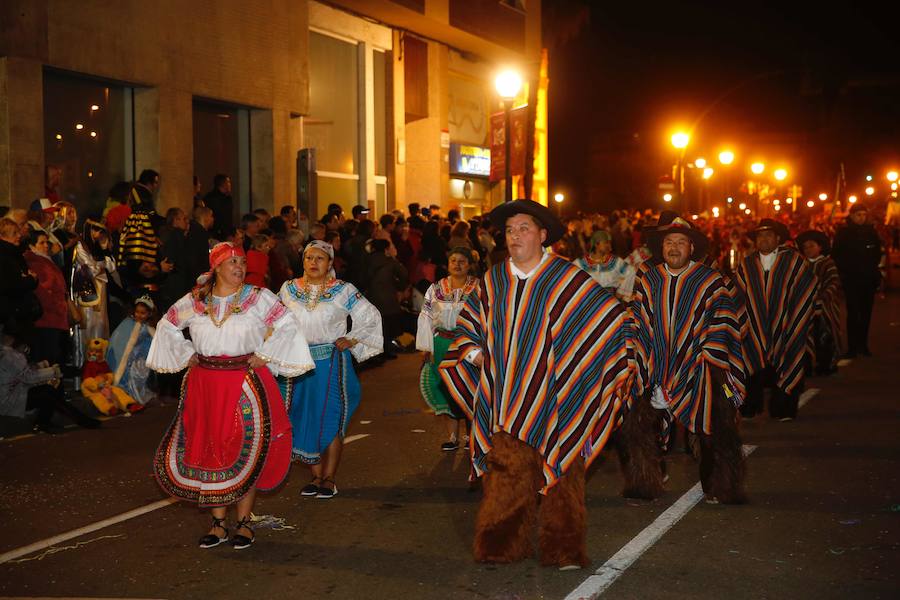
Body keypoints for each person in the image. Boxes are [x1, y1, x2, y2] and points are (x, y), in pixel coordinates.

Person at [439, 200, 631, 569]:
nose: (515, 236)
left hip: (560, 396)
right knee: (507, 469)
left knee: (563, 471)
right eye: (510, 230)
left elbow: (606, 321)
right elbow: (468, 325)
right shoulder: (493, 280)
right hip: (506, 394)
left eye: (524, 228)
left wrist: (601, 361)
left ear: (543, 235)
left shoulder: (567, 277)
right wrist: (477, 355)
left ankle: (563, 549)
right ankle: (502, 543)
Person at [147, 242, 313, 549]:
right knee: (211, 446)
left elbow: (287, 324)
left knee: (243, 447)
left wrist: (266, 353)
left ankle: (245, 522)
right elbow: (166, 324)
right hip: (205, 383)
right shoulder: (197, 299)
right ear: (216, 267)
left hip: (245, 380)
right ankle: (218, 523)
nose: (239, 267)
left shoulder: (257, 297)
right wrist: (186, 354)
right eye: (232, 262)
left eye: (242, 262)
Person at [625, 217, 748, 504]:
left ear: (691, 247)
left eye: (681, 242)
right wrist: (637, 356)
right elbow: (636, 318)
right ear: (661, 248)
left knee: (710, 429)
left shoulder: (710, 280)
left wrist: (706, 354)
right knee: (641, 424)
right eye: (669, 243)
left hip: (702, 364)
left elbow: (725, 321)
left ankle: (716, 485)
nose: (674, 248)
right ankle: (647, 482)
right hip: (655, 364)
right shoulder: (649, 278)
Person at [277, 241, 383, 499]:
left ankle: (329, 477)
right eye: (309, 257)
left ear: (330, 263)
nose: (314, 263)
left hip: (331, 362)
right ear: (302, 261)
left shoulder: (343, 290)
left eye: (320, 258)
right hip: (298, 363)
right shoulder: (289, 289)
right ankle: (315, 476)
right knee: (302, 417)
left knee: (331, 417)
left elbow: (370, 315)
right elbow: (274, 321)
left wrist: (352, 338)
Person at [735, 219, 817, 421]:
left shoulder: (795, 261)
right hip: (753, 327)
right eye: (760, 236)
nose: (764, 239)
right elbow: (736, 294)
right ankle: (750, 406)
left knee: (788, 361)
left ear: (778, 238)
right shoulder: (746, 264)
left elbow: (807, 288)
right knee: (749, 361)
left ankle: (784, 409)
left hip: (787, 325)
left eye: (769, 235)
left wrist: (794, 318)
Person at [415, 247, 478, 451]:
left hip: (467, 344)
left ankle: (471, 437)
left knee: (468, 388)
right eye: (453, 260)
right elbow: (426, 317)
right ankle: (452, 437)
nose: (457, 264)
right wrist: (426, 347)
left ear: (469, 264)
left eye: (462, 261)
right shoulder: (436, 288)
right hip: (442, 343)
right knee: (445, 388)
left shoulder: (479, 288)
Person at [831, 204, 883, 358]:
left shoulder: (871, 232)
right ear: (852, 216)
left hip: (868, 279)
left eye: (863, 214)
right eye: (858, 215)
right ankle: (853, 347)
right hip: (852, 279)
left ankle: (863, 345)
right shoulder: (844, 233)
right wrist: (846, 271)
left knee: (866, 313)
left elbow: (877, 254)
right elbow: (837, 254)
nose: (861, 218)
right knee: (853, 313)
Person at [797, 230, 844, 375]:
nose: (808, 249)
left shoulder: (827, 263)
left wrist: (822, 297)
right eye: (805, 247)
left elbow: (833, 282)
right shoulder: (801, 264)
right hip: (805, 308)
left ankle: (826, 364)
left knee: (825, 337)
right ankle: (808, 366)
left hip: (825, 307)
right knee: (805, 338)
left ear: (820, 247)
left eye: (812, 246)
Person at [24, 230, 72, 366]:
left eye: (47, 242)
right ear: (32, 246)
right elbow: (42, 291)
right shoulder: (36, 263)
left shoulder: (44, 260)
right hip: (47, 318)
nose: (46, 246)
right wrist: (56, 305)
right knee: (48, 360)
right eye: (41, 243)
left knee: (52, 358)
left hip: (52, 317)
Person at [73, 219, 118, 343]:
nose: (97, 234)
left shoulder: (98, 246)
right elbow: (91, 270)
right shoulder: (80, 245)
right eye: (95, 229)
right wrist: (102, 264)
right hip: (87, 289)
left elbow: (112, 266)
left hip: (101, 289)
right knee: (88, 323)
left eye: (100, 231)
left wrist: (104, 251)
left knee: (100, 322)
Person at [106, 295, 157, 405]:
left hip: (141, 359)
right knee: (128, 376)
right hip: (127, 358)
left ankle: (137, 396)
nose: (139, 315)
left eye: (143, 313)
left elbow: (152, 343)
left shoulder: (149, 328)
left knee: (139, 376)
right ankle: (127, 395)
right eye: (137, 312)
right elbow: (119, 339)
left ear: (149, 314)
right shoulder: (127, 323)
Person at [365, 238, 409, 359]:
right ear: (385, 249)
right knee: (388, 326)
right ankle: (387, 350)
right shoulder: (390, 261)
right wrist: (399, 287)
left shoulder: (366, 260)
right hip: (388, 297)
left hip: (370, 298)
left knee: (375, 326)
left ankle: (376, 353)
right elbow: (404, 274)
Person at [574, 230, 636, 300]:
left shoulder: (615, 261)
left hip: (610, 302)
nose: (609, 246)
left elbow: (631, 271)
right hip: (590, 302)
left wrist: (621, 292)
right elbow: (571, 277)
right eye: (606, 243)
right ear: (596, 244)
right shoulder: (580, 263)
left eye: (610, 243)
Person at [203, 174, 233, 241]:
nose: (230, 185)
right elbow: (221, 217)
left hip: (226, 233)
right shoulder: (211, 198)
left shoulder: (228, 198)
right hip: (215, 233)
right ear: (223, 184)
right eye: (228, 182)